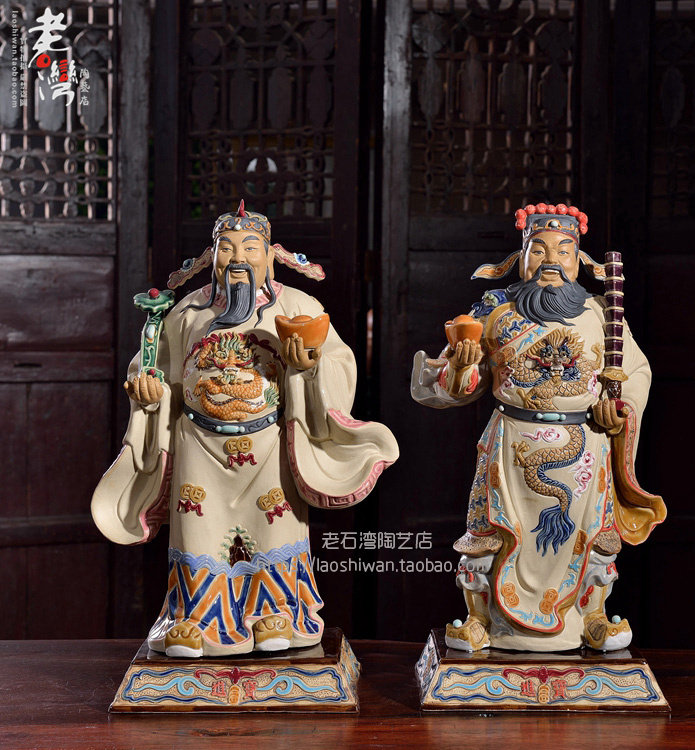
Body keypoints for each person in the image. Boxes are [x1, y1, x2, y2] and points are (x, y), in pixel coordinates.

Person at [92, 202, 398, 657]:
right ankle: (195, 617)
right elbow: (155, 371)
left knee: (274, 528)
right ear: (211, 255)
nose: (238, 258)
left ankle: (277, 611)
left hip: (268, 443)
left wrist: (310, 368)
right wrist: (149, 393)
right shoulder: (185, 312)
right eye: (226, 248)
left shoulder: (300, 306)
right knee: (197, 529)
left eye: (250, 247)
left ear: (270, 256)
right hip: (199, 444)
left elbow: (338, 363)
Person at [411, 204, 665, 652]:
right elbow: (459, 388)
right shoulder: (494, 312)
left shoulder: (602, 315)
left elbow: (636, 371)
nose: (551, 260)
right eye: (539, 249)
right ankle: (480, 619)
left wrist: (619, 407)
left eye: (564, 251)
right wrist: (462, 366)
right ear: (520, 257)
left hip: (584, 446)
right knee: (490, 534)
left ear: (580, 260)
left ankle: (592, 615)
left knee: (594, 535)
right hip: (511, 446)